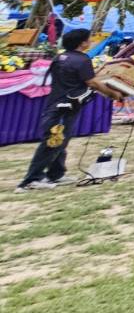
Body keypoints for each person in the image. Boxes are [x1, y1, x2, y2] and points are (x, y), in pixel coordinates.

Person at [17, 28, 111, 191]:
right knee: (52, 140)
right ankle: (31, 179)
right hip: (65, 106)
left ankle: (56, 174)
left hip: (57, 103)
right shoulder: (82, 60)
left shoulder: (60, 57)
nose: (90, 42)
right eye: (88, 39)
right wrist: (113, 93)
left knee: (60, 139)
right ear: (82, 43)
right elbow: (93, 82)